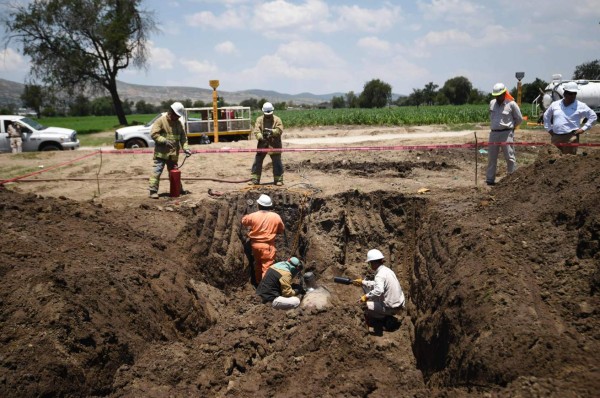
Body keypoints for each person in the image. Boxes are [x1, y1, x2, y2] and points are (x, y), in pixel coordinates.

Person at [148, 102, 192, 198]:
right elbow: (154, 134)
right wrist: (164, 141)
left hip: (173, 154)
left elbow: (183, 138)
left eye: (178, 116)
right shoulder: (161, 121)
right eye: (176, 116)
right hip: (161, 153)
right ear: (171, 112)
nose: (177, 118)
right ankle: (153, 191)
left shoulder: (178, 124)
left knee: (174, 172)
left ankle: (178, 190)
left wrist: (186, 149)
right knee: (157, 172)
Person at [352, 249, 405, 330]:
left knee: (363, 307)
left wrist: (365, 297)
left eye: (369, 263)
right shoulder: (386, 270)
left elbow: (378, 290)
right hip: (398, 304)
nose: (369, 265)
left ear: (373, 262)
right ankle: (384, 315)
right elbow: (377, 285)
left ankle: (385, 319)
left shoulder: (380, 275)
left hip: (391, 307)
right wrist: (363, 282)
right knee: (369, 291)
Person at [543, 81, 597, 155]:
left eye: (574, 93)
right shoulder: (555, 104)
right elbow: (546, 116)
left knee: (568, 160)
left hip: (571, 137)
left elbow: (593, 116)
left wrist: (583, 129)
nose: (572, 96)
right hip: (556, 136)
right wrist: (549, 129)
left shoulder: (581, 106)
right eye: (570, 93)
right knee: (553, 158)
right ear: (564, 93)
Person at [241, 194, 285, 284]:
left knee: (258, 264)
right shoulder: (276, 216)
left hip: (255, 245)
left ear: (259, 205)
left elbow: (244, 221)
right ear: (269, 206)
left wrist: (247, 216)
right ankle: (266, 288)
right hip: (267, 246)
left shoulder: (253, 216)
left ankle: (259, 284)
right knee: (267, 267)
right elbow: (281, 229)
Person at [486, 83, 523, 186]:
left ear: (504, 93)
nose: (497, 97)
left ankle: (511, 178)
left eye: (499, 95)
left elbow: (519, 119)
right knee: (491, 157)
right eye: (496, 96)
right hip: (494, 134)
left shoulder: (511, 104)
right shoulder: (492, 103)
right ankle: (490, 179)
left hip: (506, 133)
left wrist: (512, 129)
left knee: (510, 157)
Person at [248, 102, 285, 186]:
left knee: (277, 161)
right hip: (262, 144)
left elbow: (280, 130)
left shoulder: (277, 119)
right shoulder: (259, 120)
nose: (268, 116)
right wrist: (261, 137)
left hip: (274, 144)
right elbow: (256, 131)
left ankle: (278, 179)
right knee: (257, 161)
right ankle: (255, 179)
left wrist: (272, 132)